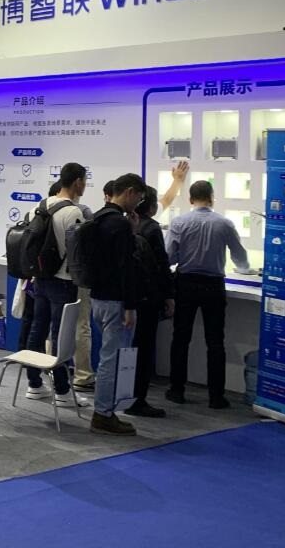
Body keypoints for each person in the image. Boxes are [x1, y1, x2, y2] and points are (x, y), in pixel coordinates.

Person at [166, 180, 251, 409]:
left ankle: (176, 390)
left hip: (186, 284)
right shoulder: (224, 223)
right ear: (212, 198)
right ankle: (216, 396)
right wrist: (245, 270)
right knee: (215, 342)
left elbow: (169, 257)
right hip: (213, 286)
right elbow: (239, 256)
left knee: (181, 338)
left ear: (190, 199)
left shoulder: (179, 222)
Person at [24, 163, 90, 408]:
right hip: (64, 281)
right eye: (84, 181)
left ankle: (34, 384)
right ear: (77, 182)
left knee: (37, 330)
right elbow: (78, 253)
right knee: (61, 337)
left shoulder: (38, 207)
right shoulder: (73, 213)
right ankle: (62, 391)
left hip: (40, 278)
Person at [87, 173, 146, 436]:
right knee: (111, 360)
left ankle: (105, 411)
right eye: (139, 198)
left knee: (106, 357)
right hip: (116, 301)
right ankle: (103, 414)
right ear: (130, 192)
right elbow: (126, 267)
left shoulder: (98, 217)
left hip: (98, 297)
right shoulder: (119, 224)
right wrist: (130, 306)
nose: (138, 204)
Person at [125, 187, 175, 419]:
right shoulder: (152, 229)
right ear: (152, 208)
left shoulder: (128, 223)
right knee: (144, 349)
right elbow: (161, 265)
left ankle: (124, 395)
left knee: (129, 349)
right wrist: (169, 295)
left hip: (129, 297)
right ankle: (138, 399)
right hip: (148, 297)